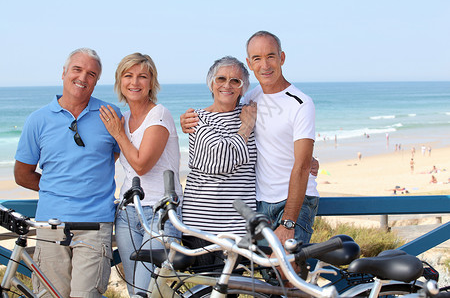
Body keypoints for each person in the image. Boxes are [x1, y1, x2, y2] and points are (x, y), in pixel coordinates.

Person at [181, 31, 320, 246]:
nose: (265, 65)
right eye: (257, 58)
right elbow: (224, 111)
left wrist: (289, 221)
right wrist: (186, 120)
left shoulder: (301, 102)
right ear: (250, 63)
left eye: (270, 56)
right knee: (267, 276)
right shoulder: (250, 99)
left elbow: (301, 164)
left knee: (286, 271)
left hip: (292, 203)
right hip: (259, 204)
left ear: (282, 58)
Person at [14, 48, 120, 298]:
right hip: (50, 224)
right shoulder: (37, 120)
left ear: (96, 81)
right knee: (51, 295)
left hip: (96, 224)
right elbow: (22, 174)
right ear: (64, 72)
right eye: (77, 69)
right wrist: (59, 188)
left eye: (91, 73)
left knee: (86, 295)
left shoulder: (110, 114)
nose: (83, 77)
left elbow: (118, 154)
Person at [99, 53, 183, 295]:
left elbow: (141, 165)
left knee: (149, 291)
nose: (134, 82)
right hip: (127, 213)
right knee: (135, 290)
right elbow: (108, 161)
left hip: (160, 213)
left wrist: (117, 134)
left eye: (142, 77)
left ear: (151, 82)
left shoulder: (159, 115)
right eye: (128, 76)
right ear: (119, 81)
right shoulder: (123, 120)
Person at [181, 56, 257, 266]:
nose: (227, 85)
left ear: (243, 88)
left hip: (240, 229)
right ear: (211, 84)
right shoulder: (197, 118)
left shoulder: (250, 113)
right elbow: (221, 159)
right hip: (201, 228)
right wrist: (246, 128)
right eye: (221, 78)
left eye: (235, 81)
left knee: (230, 291)